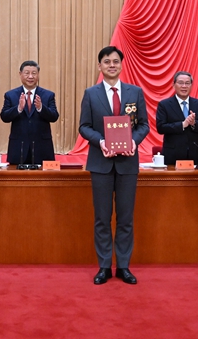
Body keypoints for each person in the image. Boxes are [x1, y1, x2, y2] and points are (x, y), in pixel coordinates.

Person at [78, 46, 149, 285]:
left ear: (121, 65)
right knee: (102, 217)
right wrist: (101, 142)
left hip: (128, 163)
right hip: (101, 163)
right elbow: (84, 126)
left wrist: (133, 141)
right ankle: (104, 266)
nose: (111, 65)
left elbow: (143, 125)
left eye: (116, 61)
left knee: (126, 218)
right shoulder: (91, 94)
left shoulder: (135, 92)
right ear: (99, 66)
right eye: (107, 61)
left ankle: (124, 266)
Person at [0, 60, 60, 166]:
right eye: (27, 73)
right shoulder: (10, 95)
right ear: (20, 74)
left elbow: (54, 116)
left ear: (38, 74)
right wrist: (18, 108)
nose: (30, 76)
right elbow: (4, 116)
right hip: (18, 147)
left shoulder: (48, 95)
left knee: (43, 177)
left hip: (42, 148)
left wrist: (41, 108)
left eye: (34, 73)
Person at [155, 71, 198, 166]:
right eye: (180, 83)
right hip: (173, 156)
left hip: (195, 155)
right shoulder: (164, 105)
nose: (184, 86)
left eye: (187, 83)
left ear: (191, 85)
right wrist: (182, 125)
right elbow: (161, 128)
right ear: (173, 85)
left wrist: (194, 123)